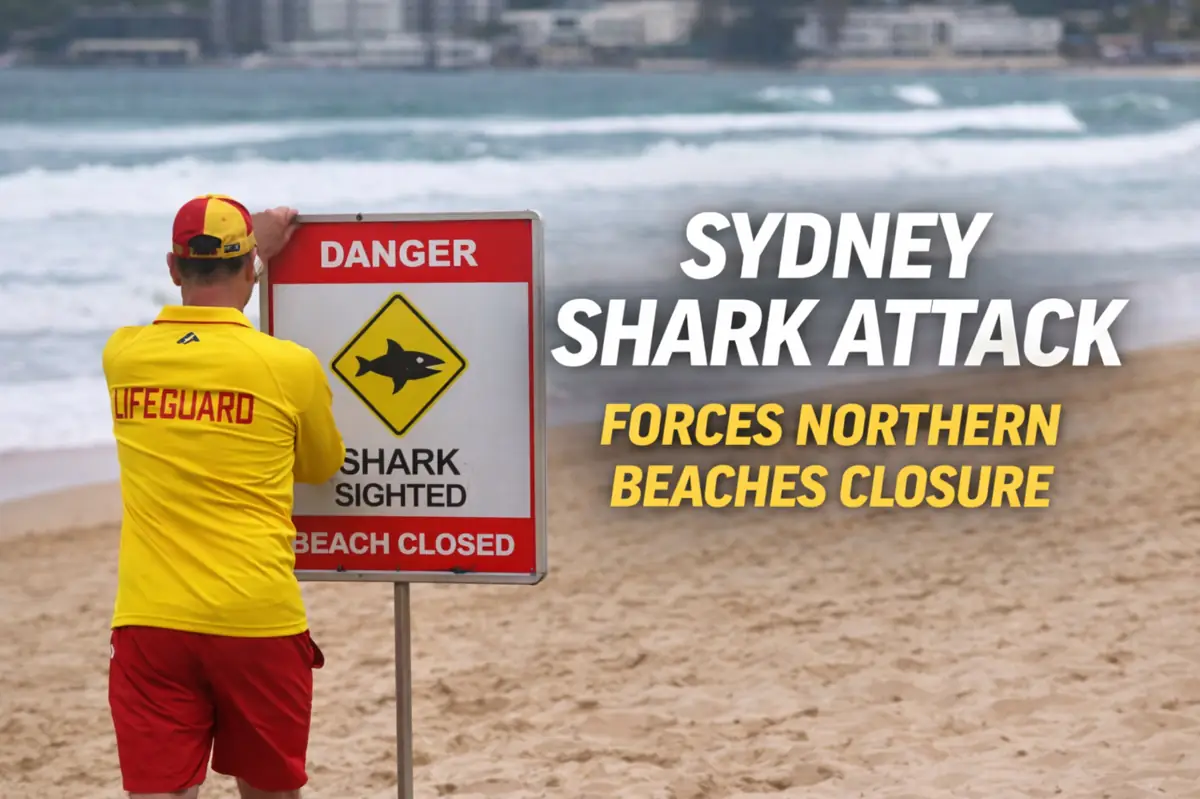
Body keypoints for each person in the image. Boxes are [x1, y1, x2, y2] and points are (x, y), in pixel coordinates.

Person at [103, 194, 346, 799]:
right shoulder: (287, 366)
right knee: (268, 790)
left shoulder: (125, 356)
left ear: (171, 266)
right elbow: (320, 466)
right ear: (253, 268)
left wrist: (247, 255)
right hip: (255, 617)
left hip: (149, 619)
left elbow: (198, 321)